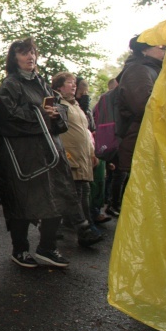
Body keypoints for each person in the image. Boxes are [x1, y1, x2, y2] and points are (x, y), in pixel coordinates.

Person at [108, 0, 166, 331]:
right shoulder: (142, 71)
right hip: (150, 152)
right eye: (160, 45)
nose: (165, 47)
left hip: (159, 153)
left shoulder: (158, 66)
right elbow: (158, 112)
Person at [0, 38, 102, 269]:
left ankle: (47, 247)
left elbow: (58, 110)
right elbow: (6, 120)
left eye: (32, 52)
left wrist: (56, 114)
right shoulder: (10, 84)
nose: (30, 57)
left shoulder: (41, 83)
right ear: (14, 57)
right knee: (22, 204)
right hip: (23, 158)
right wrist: (41, 113)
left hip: (51, 153)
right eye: (24, 53)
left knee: (58, 197)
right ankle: (20, 249)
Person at [113, 35, 165, 201]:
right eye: (161, 47)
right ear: (145, 50)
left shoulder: (151, 69)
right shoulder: (138, 70)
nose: (164, 50)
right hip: (139, 142)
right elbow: (143, 105)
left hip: (146, 141)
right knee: (143, 198)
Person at [51, 73, 103, 231]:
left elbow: (86, 131)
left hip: (83, 155)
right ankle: (86, 229)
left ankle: (69, 224)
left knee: (82, 191)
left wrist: (92, 153)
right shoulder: (58, 103)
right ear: (59, 86)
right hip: (69, 155)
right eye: (69, 82)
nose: (74, 85)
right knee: (76, 193)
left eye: (74, 83)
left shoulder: (75, 105)